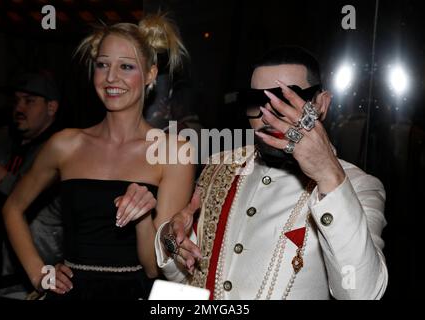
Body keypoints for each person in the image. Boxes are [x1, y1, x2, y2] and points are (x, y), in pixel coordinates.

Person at [154, 46, 388, 300]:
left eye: (286, 99)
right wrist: (171, 240)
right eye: (257, 101)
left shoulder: (357, 185)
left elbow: (361, 293)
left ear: (321, 103)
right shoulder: (222, 167)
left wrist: (328, 173)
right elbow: (190, 277)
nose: (269, 115)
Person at [2, 13, 195, 300]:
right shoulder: (66, 144)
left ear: (151, 74)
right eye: (102, 65)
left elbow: (155, 268)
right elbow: (12, 208)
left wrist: (142, 218)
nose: (111, 77)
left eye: (126, 66)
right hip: (69, 293)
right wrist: (38, 273)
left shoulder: (173, 152)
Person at [0, 72, 63, 298]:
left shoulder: (63, 149)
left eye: (30, 101)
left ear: (51, 107)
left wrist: (4, 181)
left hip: (26, 277)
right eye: (16, 100)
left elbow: (54, 208)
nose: (19, 108)